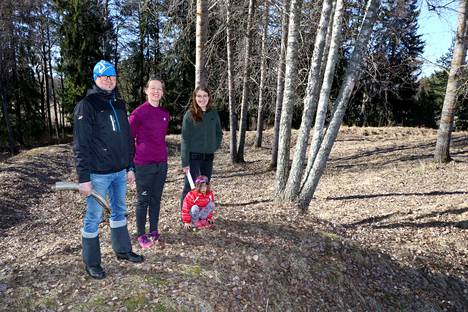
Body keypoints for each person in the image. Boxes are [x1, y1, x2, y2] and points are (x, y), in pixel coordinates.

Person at [73, 60, 143, 279]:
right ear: (95, 78)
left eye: (112, 76)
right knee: (93, 217)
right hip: (97, 174)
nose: (109, 79)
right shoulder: (87, 105)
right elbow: (81, 144)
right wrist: (84, 178)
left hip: (120, 172)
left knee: (120, 211)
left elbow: (126, 140)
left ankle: (122, 250)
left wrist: (130, 166)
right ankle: (91, 262)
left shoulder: (119, 104)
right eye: (104, 76)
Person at [128, 77, 169, 249]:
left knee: (156, 199)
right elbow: (127, 139)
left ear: (163, 92)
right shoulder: (138, 113)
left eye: (159, 89)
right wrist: (130, 166)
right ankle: (141, 235)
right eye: (152, 88)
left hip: (161, 163)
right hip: (143, 164)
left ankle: (153, 230)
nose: (156, 91)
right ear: (146, 90)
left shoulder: (165, 114)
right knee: (143, 200)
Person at [180, 86, 223, 208]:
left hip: (208, 158)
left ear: (209, 97)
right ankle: (185, 216)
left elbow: (219, 133)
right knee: (190, 187)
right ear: (195, 98)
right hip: (193, 158)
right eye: (199, 96)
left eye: (205, 96)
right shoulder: (190, 115)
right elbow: (185, 139)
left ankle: (200, 214)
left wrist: (213, 146)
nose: (202, 99)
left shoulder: (213, 113)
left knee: (204, 187)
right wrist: (185, 162)